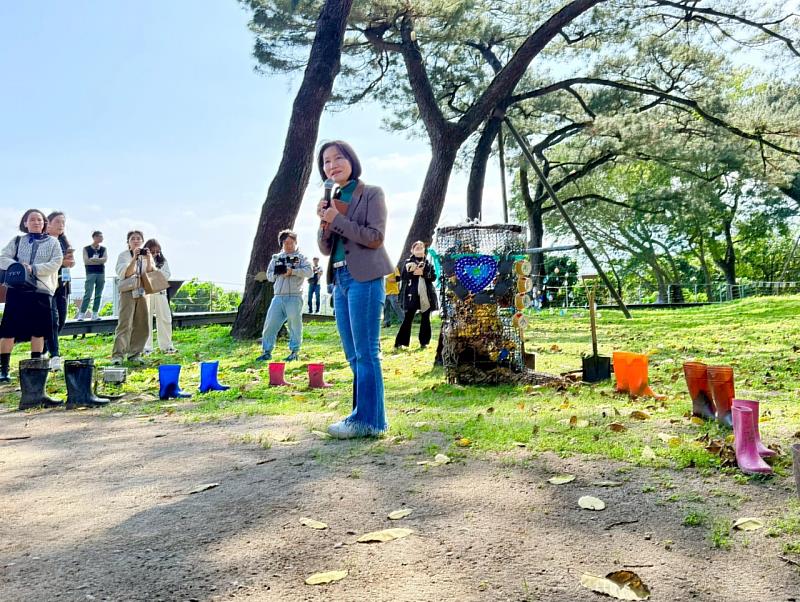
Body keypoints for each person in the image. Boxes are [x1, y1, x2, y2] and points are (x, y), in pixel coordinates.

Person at [316, 140, 394, 439]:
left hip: (365, 277)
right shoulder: (331, 197)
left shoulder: (372, 193)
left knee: (366, 352)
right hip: (339, 280)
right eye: (326, 161)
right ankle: (370, 419)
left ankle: (366, 420)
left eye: (338, 158)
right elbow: (325, 249)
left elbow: (375, 237)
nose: (332, 165)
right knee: (352, 353)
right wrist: (324, 223)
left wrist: (338, 219)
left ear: (351, 160)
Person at [0, 209, 63, 383]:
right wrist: (19, 266)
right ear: (25, 223)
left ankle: (35, 369)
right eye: (32, 219)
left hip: (41, 291)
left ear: (44, 224)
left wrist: (34, 269)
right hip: (18, 289)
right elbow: (3, 258)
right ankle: (3, 370)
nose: (36, 222)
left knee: (39, 330)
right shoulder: (17, 240)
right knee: (8, 330)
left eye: (40, 220)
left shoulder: (53, 242)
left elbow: (56, 263)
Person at [257, 230, 312, 362]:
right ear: (281, 243)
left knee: (295, 325)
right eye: (286, 243)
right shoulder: (276, 258)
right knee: (270, 324)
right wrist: (277, 273)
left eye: (291, 243)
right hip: (278, 297)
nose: (289, 245)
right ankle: (267, 351)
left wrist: (292, 271)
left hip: (294, 296)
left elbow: (309, 272)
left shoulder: (301, 257)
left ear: (295, 243)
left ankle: (294, 352)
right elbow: (269, 276)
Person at [111, 230, 153, 365]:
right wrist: (134, 258)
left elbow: (151, 273)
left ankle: (135, 353)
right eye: (133, 239)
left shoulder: (146, 255)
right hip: (128, 291)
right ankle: (118, 354)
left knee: (142, 323)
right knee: (125, 323)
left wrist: (148, 259)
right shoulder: (123, 256)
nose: (136, 241)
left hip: (142, 291)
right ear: (128, 243)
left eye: (139, 238)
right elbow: (125, 273)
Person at [44, 211, 75, 371]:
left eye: (63, 222)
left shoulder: (64, 242)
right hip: (47, 285)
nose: (61, 225)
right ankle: (54, 354)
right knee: (53, 319)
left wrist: (69, 263)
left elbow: (69, 262)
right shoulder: (44, 241)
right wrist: (60, 261)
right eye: (58, 221)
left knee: (62, 319)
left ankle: (43, 347)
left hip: (63, 284)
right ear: (48, 223)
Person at [395, 241, 438, 350]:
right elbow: (403, 276)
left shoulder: (428, 263)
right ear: (412, 250)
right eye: (416, 248)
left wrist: (423, 273)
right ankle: (400, 342)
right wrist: (412, 272)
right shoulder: (408, 262)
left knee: (426, 318)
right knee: (408, 318)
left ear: (424, 250)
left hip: (426, 295)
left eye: (421, 247)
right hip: (412, 294)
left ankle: (424, 342)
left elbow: (433, 277)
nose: (419, 249)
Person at [142, 239, 176, 354]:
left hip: (161, 292)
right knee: (146, 320)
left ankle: (167, 346)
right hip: (147, 293)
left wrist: (154, 272)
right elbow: (142, 275)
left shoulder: (162, 261)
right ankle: (146, 347)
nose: (155, 254)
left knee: (165, 319)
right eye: (153, 251)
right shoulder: (141, 260)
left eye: (157, 251)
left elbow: (166, 274)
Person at [78, 231, 107, 320]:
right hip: (90, 273)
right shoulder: (86, 248)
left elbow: (105, 260)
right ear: (94, 237)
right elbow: (86, 261)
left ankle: (95, 314)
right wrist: (98, 260)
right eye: (100, 237)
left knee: (98, 294)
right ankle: (82, 314)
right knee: (88, 294)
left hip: (101, 273)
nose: (102, 239)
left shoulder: (103, 249)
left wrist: (93, 260)